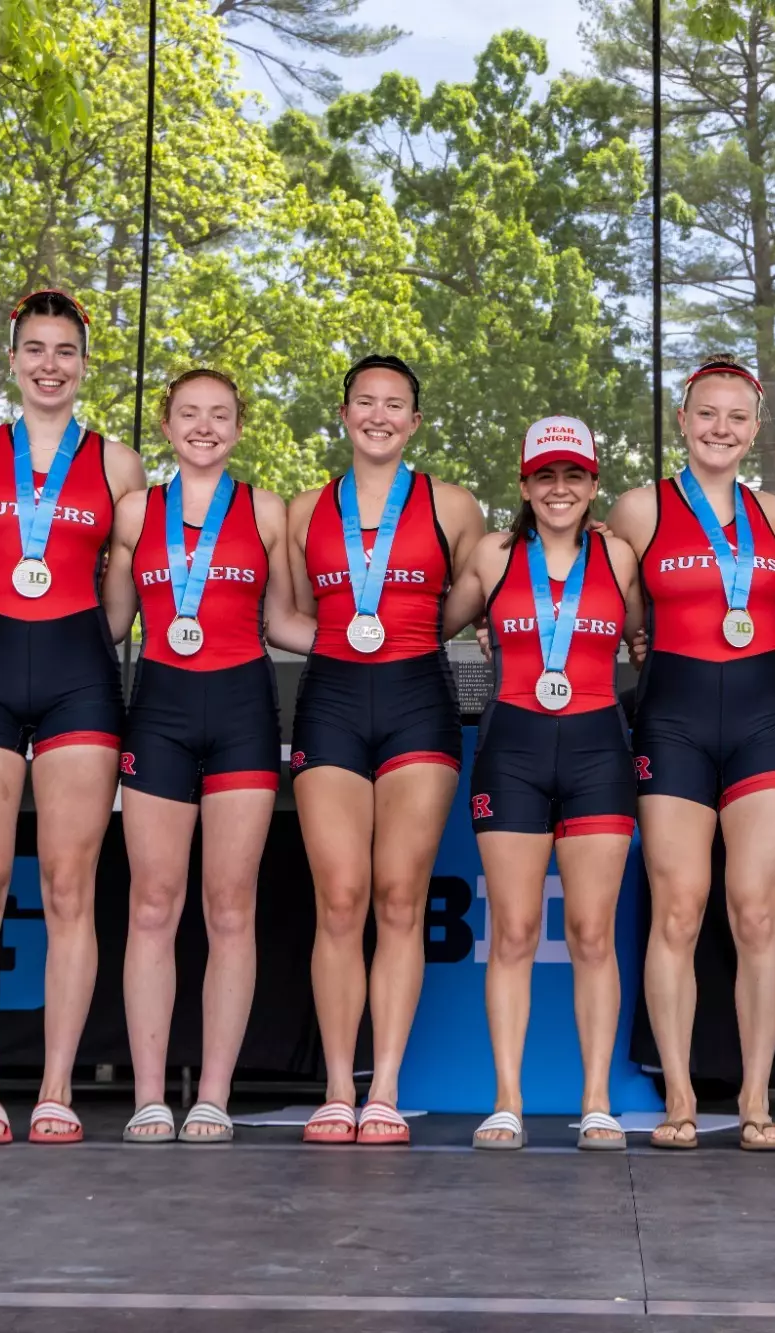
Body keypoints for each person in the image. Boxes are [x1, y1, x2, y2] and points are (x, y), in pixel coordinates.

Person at [0, 290, 148, 1146]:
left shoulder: (121, 464)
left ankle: (57, 1086)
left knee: (69, 889)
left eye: (65, 351)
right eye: (36, 349)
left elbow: (122, 608)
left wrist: (65, 632)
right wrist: (1, 615)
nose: (50, 364)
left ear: (84, 365)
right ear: (15, 357)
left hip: (79, 679)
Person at [101, 369, 316, 1144]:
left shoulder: (265, 509)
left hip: (241, 715)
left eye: (219, 414)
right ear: (165, 424)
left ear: (239, 426)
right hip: (157, 711)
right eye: (189, 413)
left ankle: (214, 1095)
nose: (203, 426)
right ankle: (151, 1093)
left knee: (231, 907)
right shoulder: (136, 512)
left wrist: (381, 642)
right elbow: (111, 625)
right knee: (152, 906)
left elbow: (288, 621)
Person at [607, 355, 775, 1152]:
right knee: (679, 906)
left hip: (762, 715)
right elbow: (609, 603)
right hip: (675, 718)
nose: (720, 428)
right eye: (706, 414)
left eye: (736, 417)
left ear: (754, 431)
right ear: (683, 420)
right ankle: (681, 1095)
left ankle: (756, 1095)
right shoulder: (640, 506)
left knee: (757, 911)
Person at [285, 355, 485, 1145]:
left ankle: (388, 1087)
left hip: (418, 705)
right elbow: (292, 615)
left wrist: (400, 639)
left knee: (400, 897)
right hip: (332, 702)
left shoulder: (454, 505)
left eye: (394, 404)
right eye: (364, 401)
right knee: (340, 897)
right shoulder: (305, 509)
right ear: (344, 414)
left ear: (414, 421)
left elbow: (478, 591)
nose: (378, 414)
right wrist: (350, 642)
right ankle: (339, 1085)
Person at [441, 417, 642, 1151]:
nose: (560, 489)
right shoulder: (494, 555)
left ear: (593, 484)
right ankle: (507, 1099)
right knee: (516, 932)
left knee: (593, 933)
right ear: (524, 484)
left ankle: (596, 1102)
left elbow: (648, 637)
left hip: (597, 754)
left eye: (575, 476)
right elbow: (423, 627)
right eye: (545, 476)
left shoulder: (619, 555)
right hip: (514, 751)